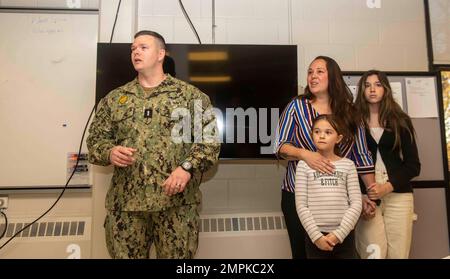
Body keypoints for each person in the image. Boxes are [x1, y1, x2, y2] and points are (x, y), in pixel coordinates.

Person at [87, 30, 221, 259]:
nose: (136, 52)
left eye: (143, 47)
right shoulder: (115, 98)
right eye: (133, 48)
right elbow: (95, 141)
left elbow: (209, 142)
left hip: (175, 206)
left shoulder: (190, 96)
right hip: (127, 208)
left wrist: (186, 167)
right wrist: (110, 152)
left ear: (161, 54)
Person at [274, 56, 375, 259]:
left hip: (339, 200)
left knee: (341, 252)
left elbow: (361, 155)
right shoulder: (296, 106)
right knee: (303, 254)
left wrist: (369, 195)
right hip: (299, 197)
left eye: (319, 71)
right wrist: (305, 155)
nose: (313, 76)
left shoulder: (351, 111)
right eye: (310, 72)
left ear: (333, 77)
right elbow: (279, 146)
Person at [354, 70, 420, 259]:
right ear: (362, 91)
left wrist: (387, 187)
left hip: (398, 193)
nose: (372, 89)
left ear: (386, 89)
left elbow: (413, 165)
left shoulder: (400, 120)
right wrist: (359, 197)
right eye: (367, 85)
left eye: (378, 84)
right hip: (367, 196)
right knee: (373, 254)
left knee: (398, 254)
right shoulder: (353, 121)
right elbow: (348, 163)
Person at [295, 114, 362, 259]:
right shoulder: (303, 165)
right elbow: (301, 205)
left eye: (328, 132)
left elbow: (356, 203)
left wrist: (339, 234)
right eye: (317, 131)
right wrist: (316, 237)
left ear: (338, 138)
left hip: (344, 236)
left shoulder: (348, 165)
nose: (321, 136)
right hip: (316, 237)